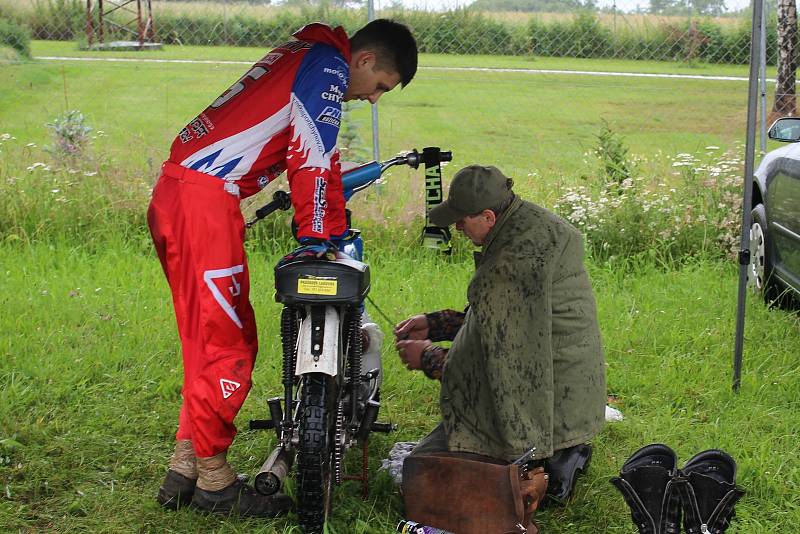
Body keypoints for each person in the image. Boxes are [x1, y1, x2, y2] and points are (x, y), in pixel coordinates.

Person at [147, 19, 418, 516]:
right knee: (229, 346)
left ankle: (185, 468)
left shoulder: (309, 55)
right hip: (204, 206)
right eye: (380, 86)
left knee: (203, 342)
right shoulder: (329, 67)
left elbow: (325, 162)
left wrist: (330, 228)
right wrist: (318, 240)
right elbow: (311, 159)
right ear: (362, 60)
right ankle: (215, 483)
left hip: (181, 196)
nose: (375, 99)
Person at [394, 165, 606, 491]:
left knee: (422, 473)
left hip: (547, 401)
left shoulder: (514, 261)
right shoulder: (531, 224)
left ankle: (541, 465)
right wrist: (435, 324)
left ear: (489, 217)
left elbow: (504, 363)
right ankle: (559, 455)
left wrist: (428, 358)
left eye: (462, 221)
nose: (458, 228)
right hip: (568, 390)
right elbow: (499, 319)